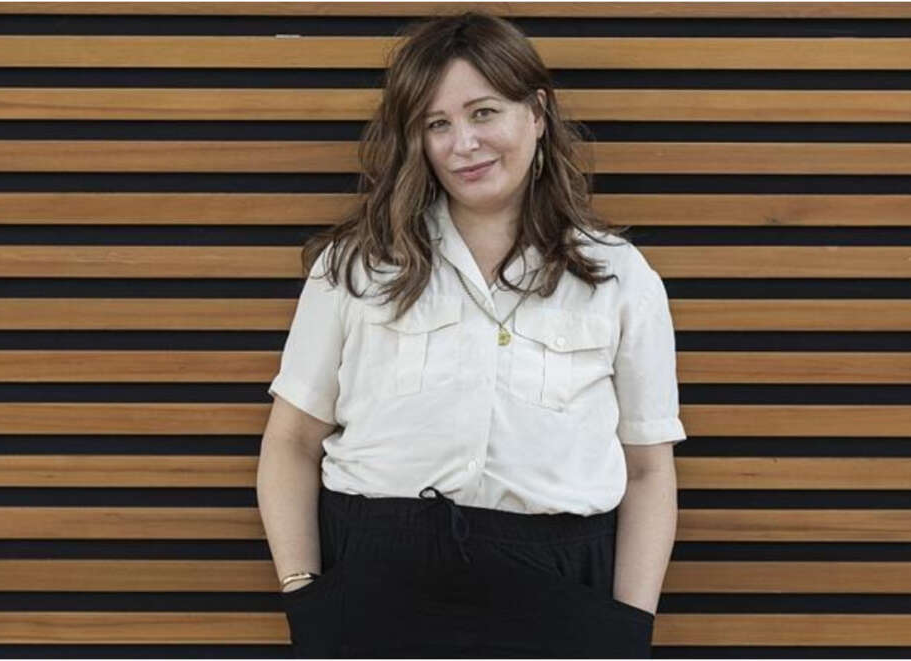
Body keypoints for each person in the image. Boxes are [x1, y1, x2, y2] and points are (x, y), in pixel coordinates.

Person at [257, 10, 686, 659]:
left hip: (561, 594)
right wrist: (306, 597)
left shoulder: (619, 278)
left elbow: (649, 471)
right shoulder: (356, 267)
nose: (463, 144)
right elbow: (290, 442)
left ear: (536, 112)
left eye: (483, 113)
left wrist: (626, 629)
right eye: (437, 124)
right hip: (375, 590)